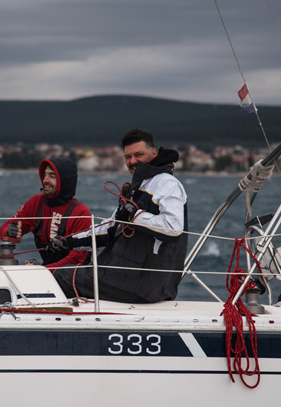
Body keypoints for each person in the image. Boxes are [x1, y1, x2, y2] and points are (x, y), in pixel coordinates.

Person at [53, 129, 188, 303]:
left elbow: (173, 227)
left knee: (60, 276)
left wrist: (135, 215)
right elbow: (111, 228)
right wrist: (69, 242)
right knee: (68, 272)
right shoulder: (139, 186)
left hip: (143, 283)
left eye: (138, 155)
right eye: (128, 157)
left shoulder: (167, 184)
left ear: (154, 153)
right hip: (126, 275)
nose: (133, 161)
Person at [0, 158, 92, 271]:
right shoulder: (36, 202)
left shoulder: (81, 213)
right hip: (47, 272)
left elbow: (77, 259)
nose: (45, 180)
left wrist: (42, 271)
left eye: (52, 176)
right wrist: (10, 231)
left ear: (64, 181)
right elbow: (5, 228)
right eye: (44, 175)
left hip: (75, 275)